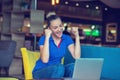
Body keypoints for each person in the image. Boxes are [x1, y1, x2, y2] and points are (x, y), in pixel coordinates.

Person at [32, 12, 81, 79]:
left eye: (60, 26)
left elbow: (77, 57)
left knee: (73, 67)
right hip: (40, 71)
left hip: (57, 71)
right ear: (49, 29)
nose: (59, 29)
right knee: (59, 68)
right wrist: (47, 37)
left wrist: (77, 36)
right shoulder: (43, 39)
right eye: (55, 28)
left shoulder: (66, 38)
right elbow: (45, 60)